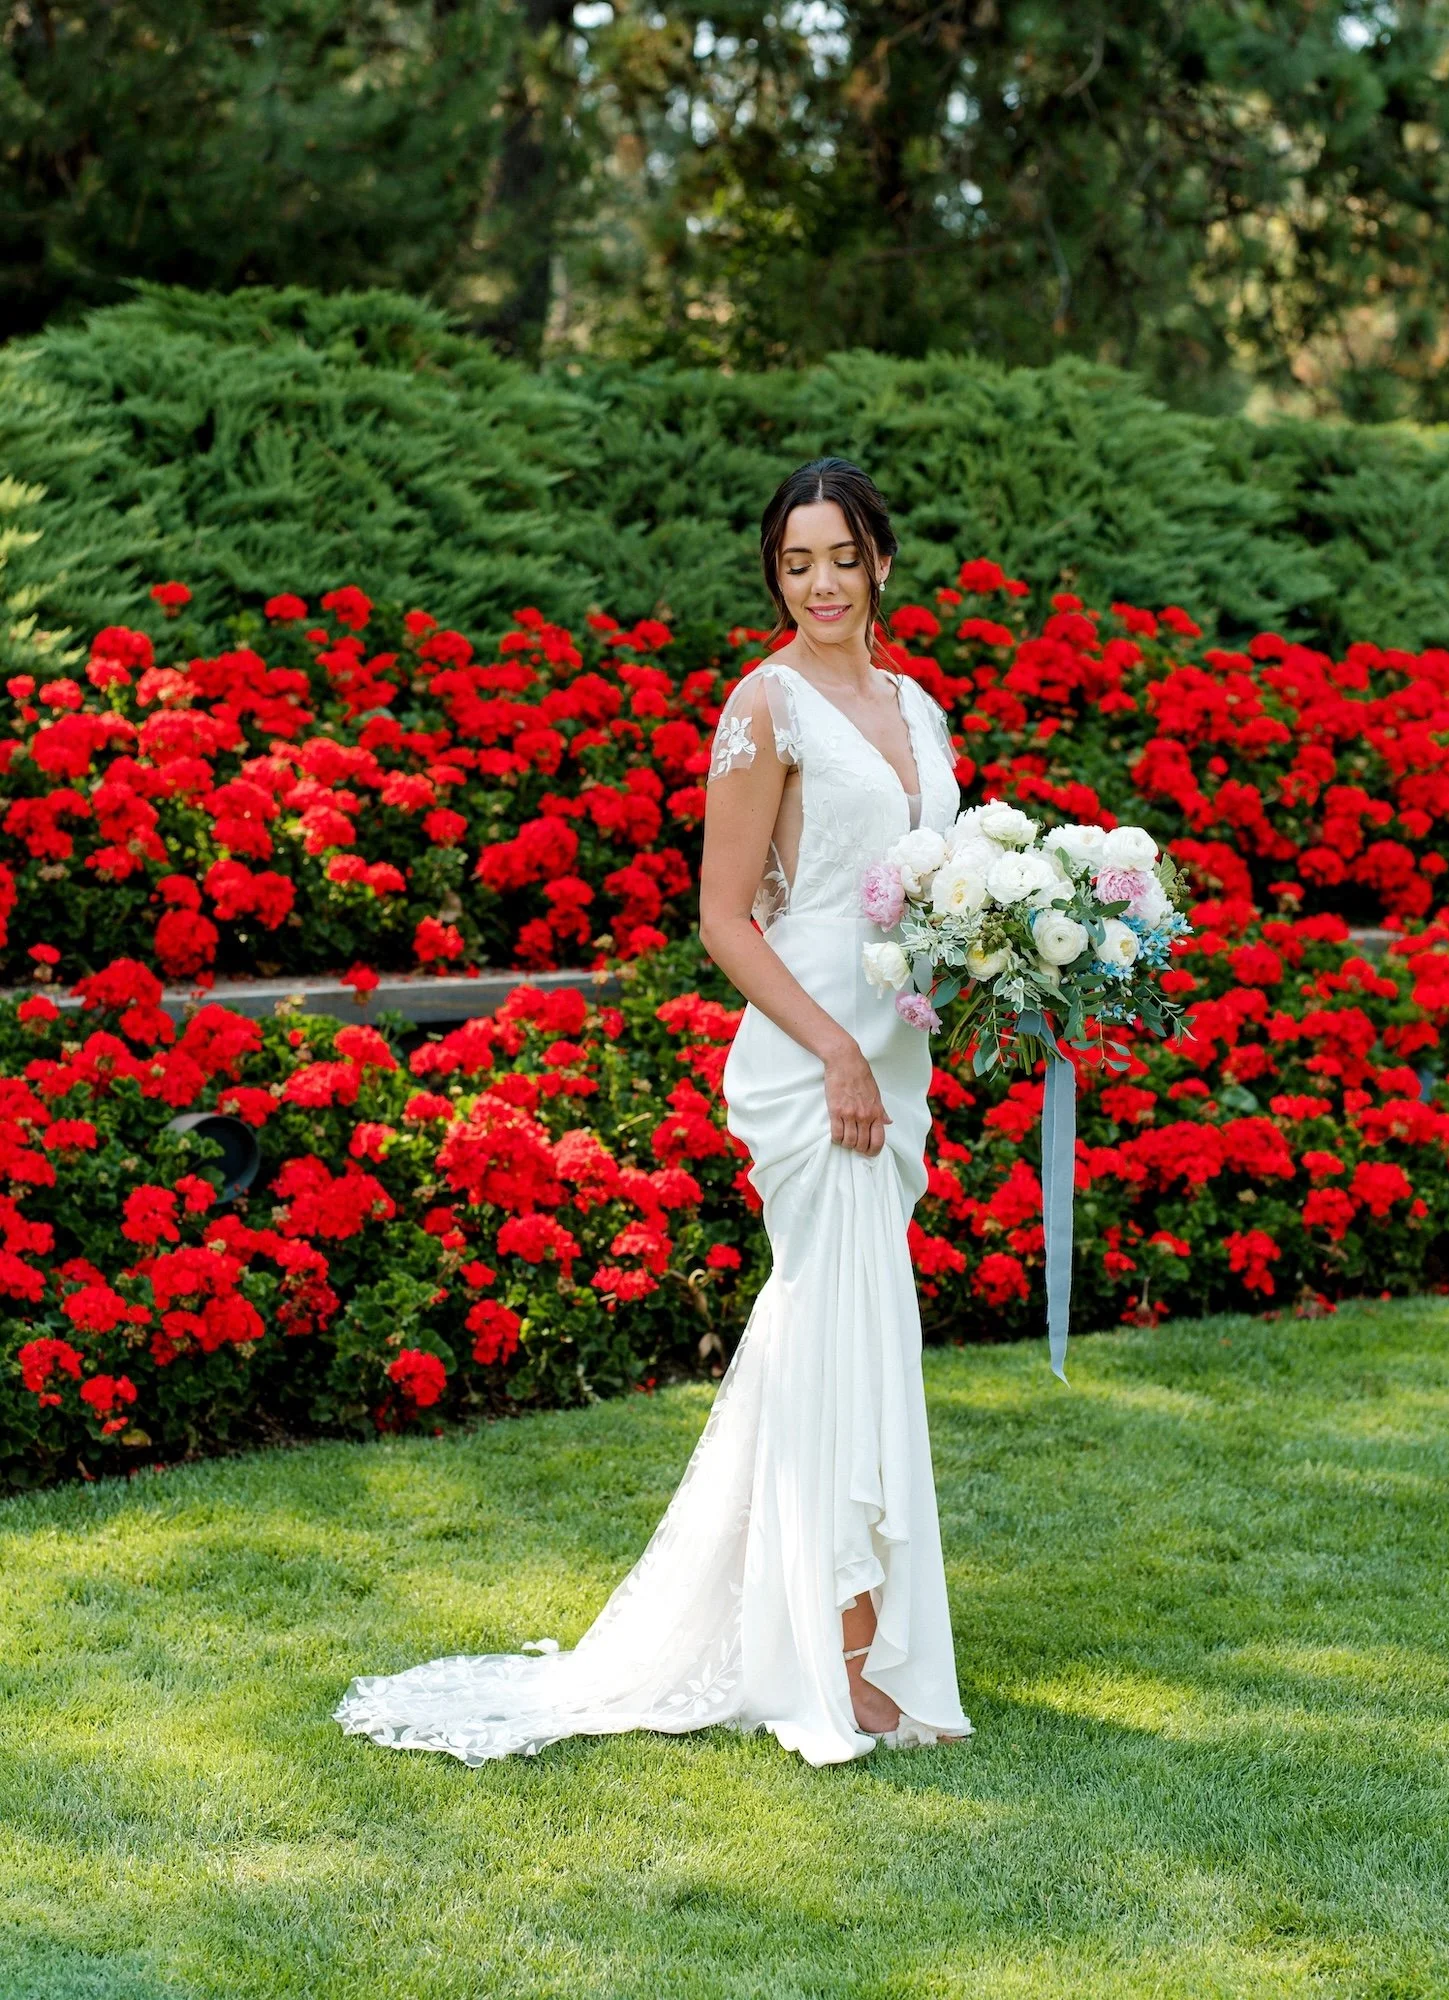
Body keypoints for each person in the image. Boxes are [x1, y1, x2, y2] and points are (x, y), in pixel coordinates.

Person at [334, 457, 973, 1767]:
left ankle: (833, 1632)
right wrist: (836, 1055)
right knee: (838, 1329)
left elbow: (929, 888)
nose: (820, 584)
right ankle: (844, 1668)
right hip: (813, 1064)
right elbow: (724, 918)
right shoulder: (766, 704)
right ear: (775, 577)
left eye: (840, 557)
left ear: (882, 562)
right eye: (795, 563)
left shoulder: (917, 706)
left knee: (852, 1334)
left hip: (892, 1059)